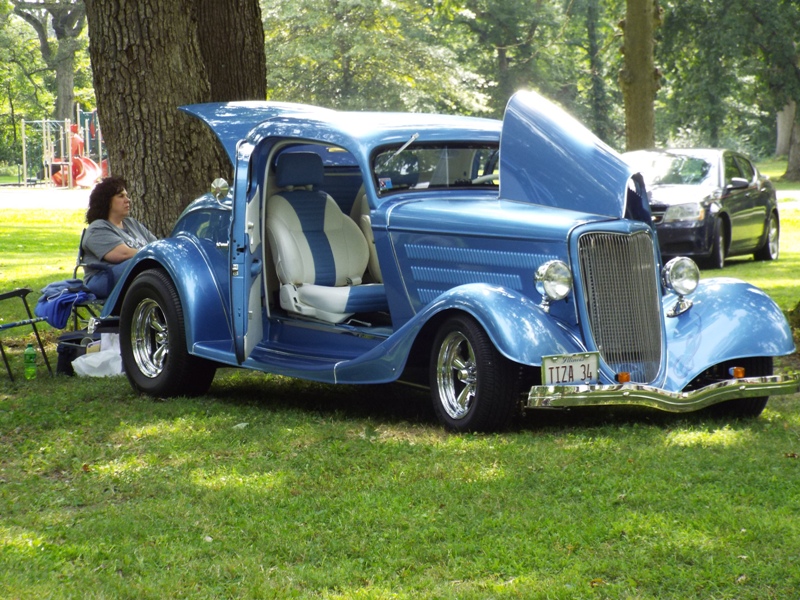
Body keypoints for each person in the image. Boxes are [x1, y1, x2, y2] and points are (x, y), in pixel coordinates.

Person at [82, 177, 157, 298]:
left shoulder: (132, 223)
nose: (128, 200)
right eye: (121, 196)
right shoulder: (97, 228)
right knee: (142, 263)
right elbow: (122, 254)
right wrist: (154, 255)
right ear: (106, 201)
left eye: (126, 196)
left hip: (134, 273)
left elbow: (157, 245)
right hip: (104, 278)